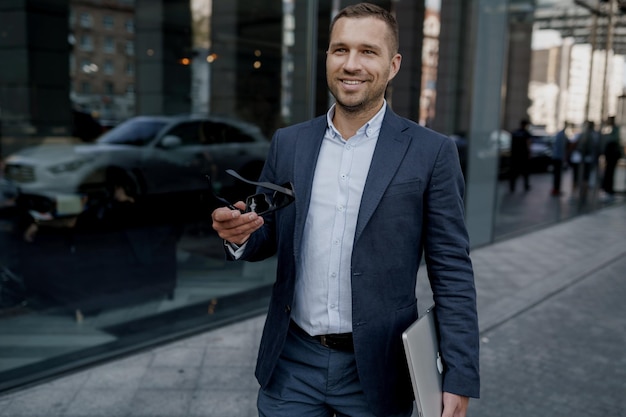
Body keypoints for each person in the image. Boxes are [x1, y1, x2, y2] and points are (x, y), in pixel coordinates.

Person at [211, 3, 479, 417]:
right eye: (340, 50)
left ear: (393, 65)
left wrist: (459, 373)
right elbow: (270, 233)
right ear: (327, 59)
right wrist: (242, 234)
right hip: (292, 362)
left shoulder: (431, 152)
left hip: (378, 365)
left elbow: (452, 269)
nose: (351, 64)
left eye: (367, 52)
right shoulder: (290, 143)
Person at [600, 116, 623, 202]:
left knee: (609, 173)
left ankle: (608, 190)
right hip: (610, 156)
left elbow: (612, 139)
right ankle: (607, 189)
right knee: (608, 173)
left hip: (612, 156)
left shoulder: (614, 131)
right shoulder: (612, 130)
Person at [509, 119, 532, 192]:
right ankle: (526, 186)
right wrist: (529, 154)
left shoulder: (514, 132)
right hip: (523, 156)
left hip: (515, 156)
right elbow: (528, 143)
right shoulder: (526, 133)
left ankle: (512, 187)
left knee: (513, 172)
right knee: (525, 172)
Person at [551, 122, 569, 196]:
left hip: (556, 157)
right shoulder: (562, 135)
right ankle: (556, 189)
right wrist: (564, 157)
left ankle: (556, 189)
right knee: (557, 175)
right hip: (558, 157)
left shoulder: (560, 134)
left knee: (557, 174)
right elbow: (562, 147)